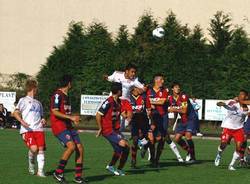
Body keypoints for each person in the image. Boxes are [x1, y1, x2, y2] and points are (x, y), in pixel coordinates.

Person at [50, 75, 87, 184]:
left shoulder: (67, 96)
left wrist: (73, 119)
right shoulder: (57, 95)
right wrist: (71, 117)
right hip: (59, 126)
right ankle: (58, 172)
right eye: (72, 82)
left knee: (80, 148)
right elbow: (55, 111)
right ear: (69, 83)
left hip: (68, 126)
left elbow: (65, 113)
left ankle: (78, 177)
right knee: (71, 146)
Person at [146, 74, 183, 167]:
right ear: (156, 80)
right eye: (162, 79)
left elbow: (162, 101)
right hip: (153, 117)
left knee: (162, 139)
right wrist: (150, 104)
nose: (163, 81)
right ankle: (151, 156)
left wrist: (150, 101)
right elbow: (145, 102)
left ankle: (156, 160)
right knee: (152, 138)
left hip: (163, 117)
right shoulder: (149, 91)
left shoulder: (165, 90)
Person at [13, 79, 46, 177]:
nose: (37, 89)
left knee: (41, 150)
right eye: (36, 87)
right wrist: (22, 121)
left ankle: (40, 172)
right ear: (33, 88)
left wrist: (43, 120)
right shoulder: (23, 100)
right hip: (27, 130)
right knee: (34, 149)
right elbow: (15, 113)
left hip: (39, 129)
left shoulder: (38, 103)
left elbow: (42, 116)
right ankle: (31, 163)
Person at [96, 82, 130, 176]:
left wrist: (126, 115)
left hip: (115, 130)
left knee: (124, 149)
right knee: (124, 144)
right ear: (119, 91)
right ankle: (113, 167)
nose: (123, 91)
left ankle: (115, 168)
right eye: (122, 90)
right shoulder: (108, 101)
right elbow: (98, 114)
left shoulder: (118, 102)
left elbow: (120, 113)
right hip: (108, 130)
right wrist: (100, 128)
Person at [214, 90, 249, 170]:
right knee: (223, 144)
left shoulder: (248, 107)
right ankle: (219, 154)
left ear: (246, 97)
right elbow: (218, 103)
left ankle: (231, 165)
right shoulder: (232, 103)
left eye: (243, 94)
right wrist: (223, 104)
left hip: (239, 128)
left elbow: (247, 111)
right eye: (239, 94)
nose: (240, 96)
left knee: (239, 147)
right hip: (228, 127)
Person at [104, 63, 145, 130]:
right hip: (114, 100)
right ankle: (114, 133)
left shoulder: (135, 80)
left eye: (135, 72)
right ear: (126, 71)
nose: (133, 74)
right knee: (112, 119)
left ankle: (118, 132)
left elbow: (143, 88)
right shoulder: (117, 74)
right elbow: (109, 78)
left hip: (125, 102)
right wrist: (106, 77)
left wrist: (142, 91)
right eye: (132, 72)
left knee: (127, 120)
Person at [168, 82, 197, 163]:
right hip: (183, 120)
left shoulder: (183, 96)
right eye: (176, 87)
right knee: (176, 139)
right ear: (172, 89)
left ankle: (193, 157)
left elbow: (184, 110)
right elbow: (176, 112)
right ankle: (189, 151)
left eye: (179, 87)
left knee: (188, 136)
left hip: (191, 118)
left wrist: (173, 109)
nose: (178, 88)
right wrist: (172, 123)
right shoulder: (170, 98)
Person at [129, 86, 150, 168]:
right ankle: (133, 160)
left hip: (144, 120)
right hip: (134, 121)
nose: (141, 89)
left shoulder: (144, 97)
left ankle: (145, 147)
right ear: (133, 89)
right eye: (138, 88)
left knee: (147, 138)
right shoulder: (128, 98)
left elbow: (149, 108)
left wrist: (149, 113)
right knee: (135, 140)